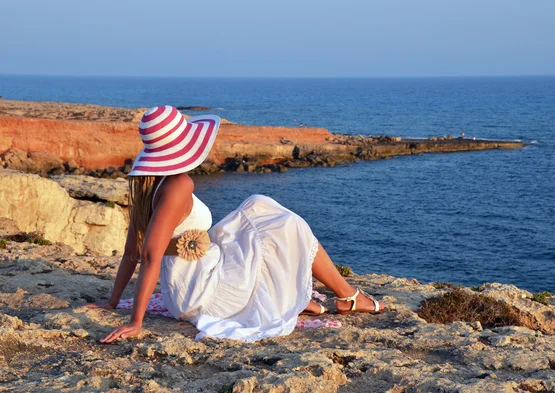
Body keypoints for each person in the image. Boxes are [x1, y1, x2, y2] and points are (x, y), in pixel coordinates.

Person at [87, 106, 384, 343]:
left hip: (183, 290)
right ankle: (348, 296)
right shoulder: (179, 184)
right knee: (286, 223)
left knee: (259, 206)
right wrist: (136, 322)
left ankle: (297, 297)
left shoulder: (149, 187)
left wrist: (113, 302)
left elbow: (131, 253)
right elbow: (149, 254)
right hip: (205, 293)